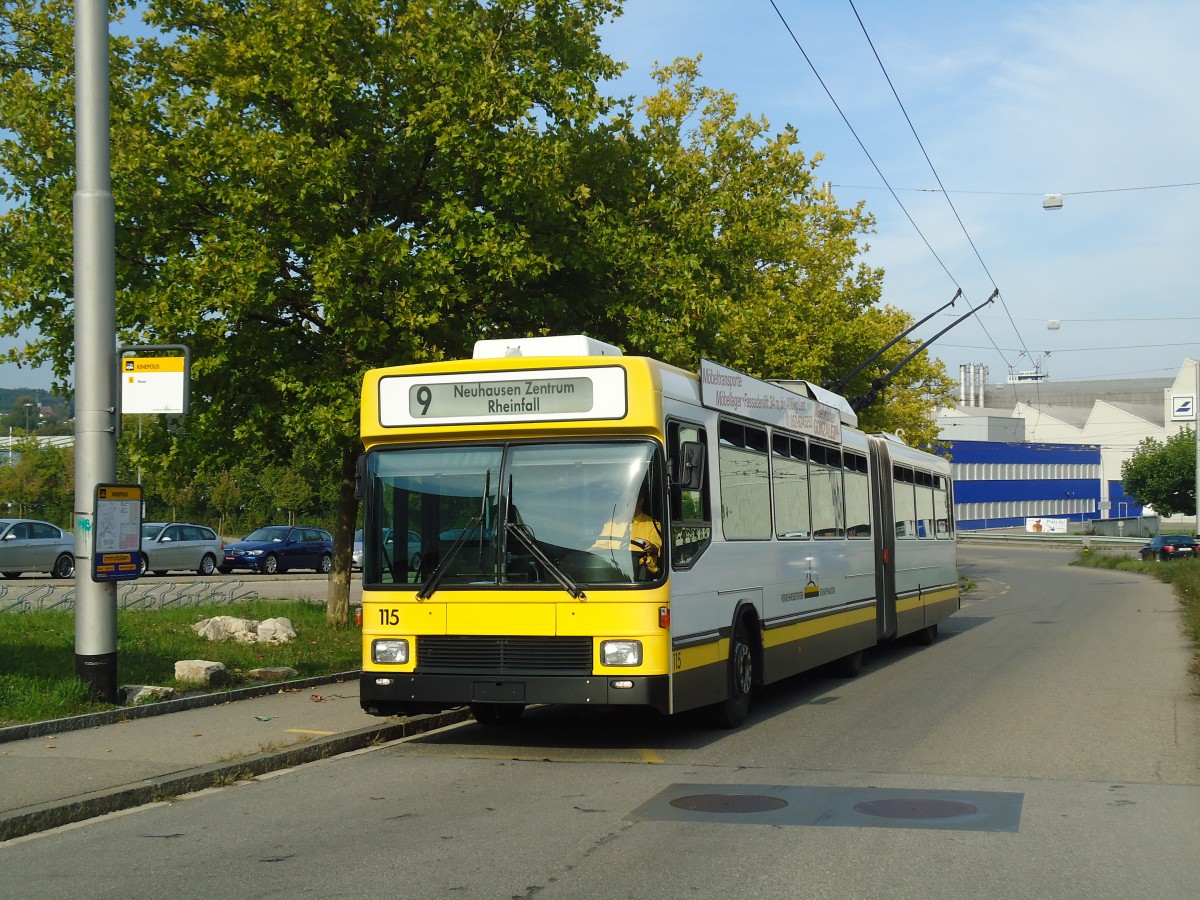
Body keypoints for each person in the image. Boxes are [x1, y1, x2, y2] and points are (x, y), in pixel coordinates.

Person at [592, 482, 662, 577]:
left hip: (641, 576)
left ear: (640, 501)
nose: (625, 504)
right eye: (623, 501)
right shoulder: (612, 523)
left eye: (629, 500)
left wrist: (651, 547)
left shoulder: (652, 524)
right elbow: (600, 546)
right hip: (612, 570)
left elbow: (656, 549)